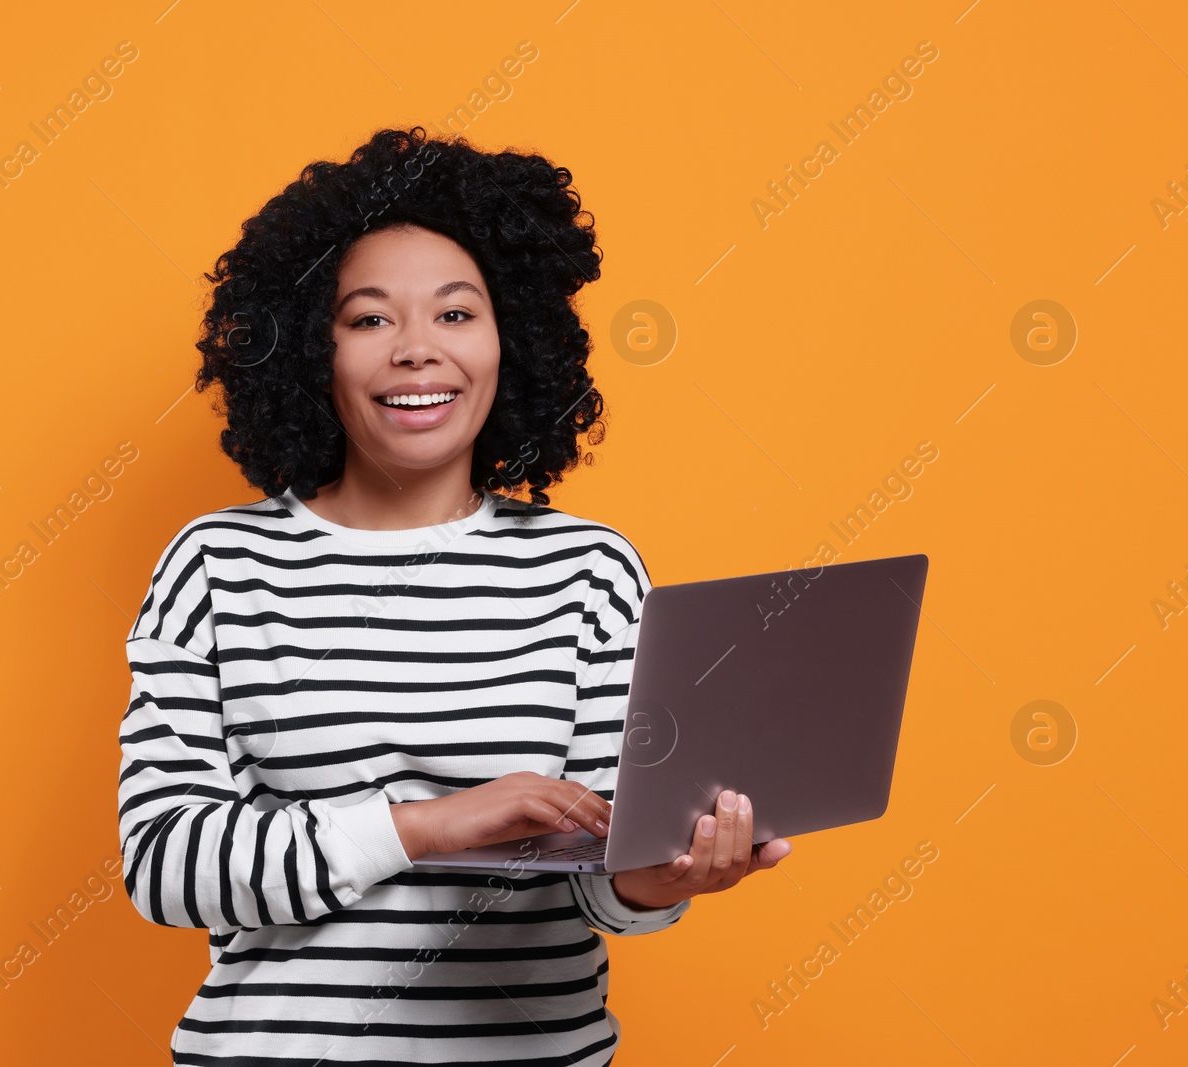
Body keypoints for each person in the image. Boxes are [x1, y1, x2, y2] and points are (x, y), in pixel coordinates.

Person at [116, 126, 792, 1065]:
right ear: (315, 350)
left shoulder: (588, 571)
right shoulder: (219, 564)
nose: (416, 351)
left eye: (455, 314)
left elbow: (605, 877)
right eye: (368, 319)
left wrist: (668, 873)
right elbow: (165, 865)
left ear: (512, 340)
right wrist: (427, 825)